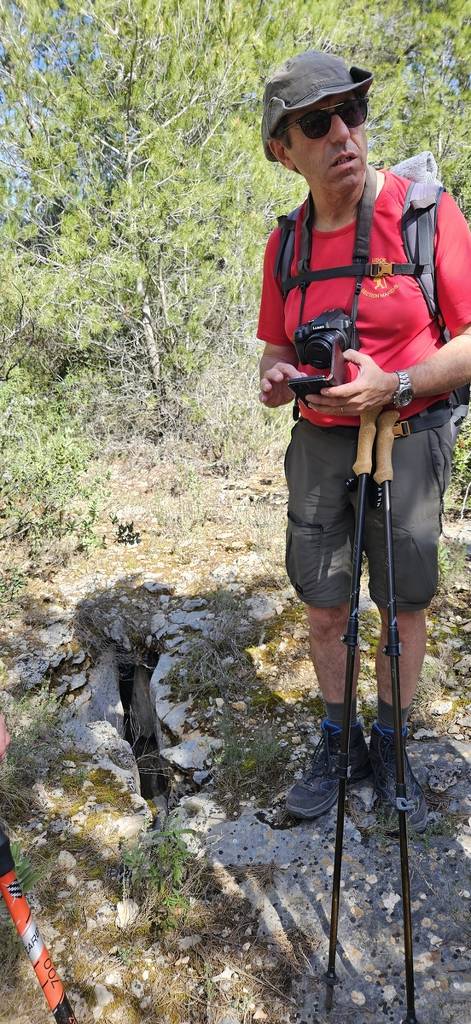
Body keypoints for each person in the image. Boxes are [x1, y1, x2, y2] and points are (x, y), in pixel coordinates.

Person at [258, 50, 471, 830]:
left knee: (401, 605)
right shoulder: (283, 245)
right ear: (283, 150)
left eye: (353, 112)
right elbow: (277, 347)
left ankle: (390, 741)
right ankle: (336, 738)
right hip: (318, 441)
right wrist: (278, 376)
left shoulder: (423, 213)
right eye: (318, 122)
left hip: (408, 433)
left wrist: (398, 384)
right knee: (322, 606)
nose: (344, 133)